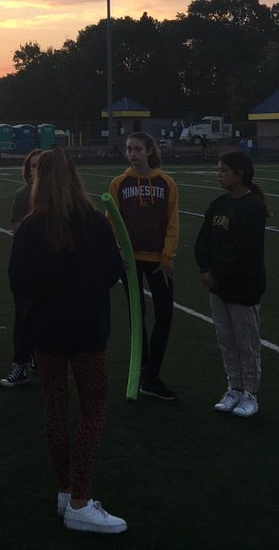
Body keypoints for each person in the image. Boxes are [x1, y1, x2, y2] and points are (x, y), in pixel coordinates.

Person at [8, 147, 127, 534]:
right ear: (74, 177)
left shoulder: (30, 227)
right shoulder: (94, 223)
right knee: (93, 410)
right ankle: (79, 499)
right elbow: (113, 273)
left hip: (46, 331)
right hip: (87, 329)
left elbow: (17, 281)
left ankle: (65, 489)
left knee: (56, 407)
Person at [193, 150, 268, 417]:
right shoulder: (219, 203)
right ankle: (234, 387)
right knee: (226, 339)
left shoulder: (252, 206)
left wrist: (217, 272)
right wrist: (205, 268)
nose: (219, 175)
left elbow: (243, 249)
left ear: (240, 175)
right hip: (218, 286)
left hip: (242, 286)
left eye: (224, 170)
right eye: (219, 169)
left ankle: (250, 393)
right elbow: (203, 240)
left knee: (245, 341)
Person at [109, 131, 180, 400]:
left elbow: (172, 222)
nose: (132, 154)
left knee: (165, 315)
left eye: (137, 149)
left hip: (159, 261)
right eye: (129, 149)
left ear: (149, 150)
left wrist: (168, 256)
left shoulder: (166, 183)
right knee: (137, 315)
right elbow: (111, 220)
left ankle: (153, 375)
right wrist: (117, 250)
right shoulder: (119, 183)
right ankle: (144, 370)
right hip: (130, 260)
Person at [0, 148, 42, 388]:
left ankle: (39, 356)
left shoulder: (58, 195)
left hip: (51, 269)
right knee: (23, 316)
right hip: (27, 267)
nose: (37, 170)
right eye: (33, 166)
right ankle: (20, 364)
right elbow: (18, 233)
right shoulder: (23, 195)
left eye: (41, 165)